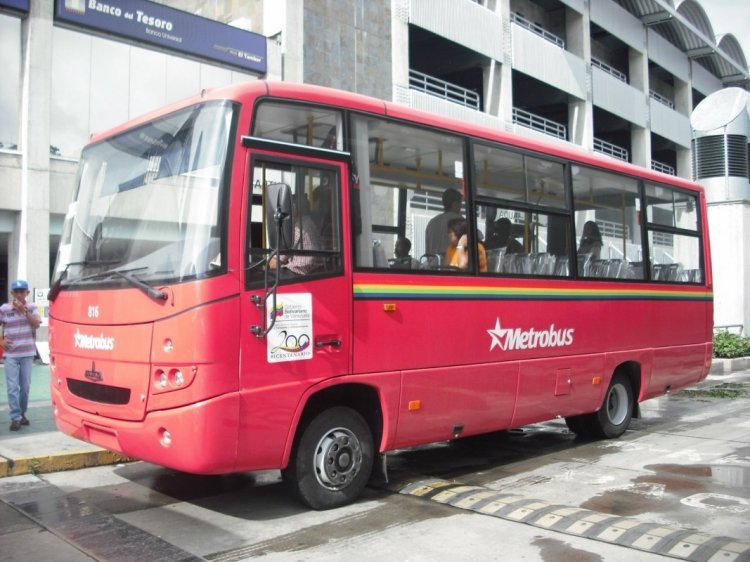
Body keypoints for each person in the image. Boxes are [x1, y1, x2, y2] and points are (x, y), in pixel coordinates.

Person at [1, 279, 42, 431]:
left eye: (22, 291)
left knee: (24, 387)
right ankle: (15, 418)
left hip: (27, 352)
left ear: (27, 293)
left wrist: (24, 311)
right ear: (12, 293)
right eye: (16, 291)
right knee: (12, 387)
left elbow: (37, 324)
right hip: (10, 353)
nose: (19, 294)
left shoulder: (31, 307)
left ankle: (22, 414)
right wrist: (1, 340)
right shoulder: (4, 309)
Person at [269, 195, 323, 276]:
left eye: (289, 207)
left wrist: (268, 262)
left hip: (299, 272)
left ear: (295, 208)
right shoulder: (309, 221)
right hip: (311, 271)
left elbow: (276, 262)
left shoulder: (298, 227)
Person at [425, 188, 463, 257]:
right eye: (460, 203)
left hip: (433, 266)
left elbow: (427, 252)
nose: (461, 206)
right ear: (454, 204)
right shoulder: (460, 221)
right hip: (453, 266)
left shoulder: (432, 222)